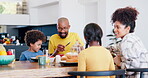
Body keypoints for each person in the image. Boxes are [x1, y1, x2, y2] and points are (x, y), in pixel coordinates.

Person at [112, 7, 148, 77]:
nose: (114, 30)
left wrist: (119, 63)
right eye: (114, 27)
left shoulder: (127, 41)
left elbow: (131, 68)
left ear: (127, 28)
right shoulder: (133, 38)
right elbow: (115, 47)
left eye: (118, 27)